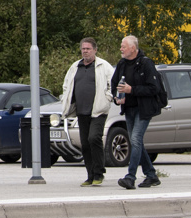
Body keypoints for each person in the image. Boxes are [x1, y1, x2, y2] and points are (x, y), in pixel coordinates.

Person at [109, 35, 163, 190]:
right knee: (135, 141)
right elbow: (114, 83)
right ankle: (151, 175)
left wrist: (131, 90)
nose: (121, 49)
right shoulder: (122, 64)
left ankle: (130, 177)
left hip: (144, 109)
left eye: (123, 46)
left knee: (135, 139)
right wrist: (117, 97)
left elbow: (154, 88)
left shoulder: (146, 64)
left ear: (133, 48)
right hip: (129, 109)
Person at [60, 37, 114, 187]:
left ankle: (99, 172)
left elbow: (113, 84)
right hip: (81, 111)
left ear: (95, 50)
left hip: (98, 110)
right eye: (83, 49)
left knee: (94, 138)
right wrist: (66, 99)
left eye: (88, 49)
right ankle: (90, 175)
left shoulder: (104, 66)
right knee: (84, 144)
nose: (85, 51)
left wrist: (107, 98)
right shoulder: (75, 67)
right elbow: (66, 85)